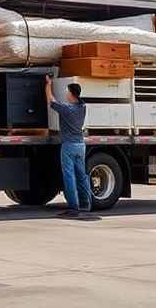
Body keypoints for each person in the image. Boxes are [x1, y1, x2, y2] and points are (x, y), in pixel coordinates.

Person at [45, 74, 92, 218]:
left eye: (67, 91)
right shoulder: (82, 107)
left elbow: (50, 100)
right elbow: (79, 101)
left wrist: (48, 84)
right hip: (80, 145)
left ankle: (73, 208)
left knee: (69, 177)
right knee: (81, 175)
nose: (65, 93)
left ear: (71, 94)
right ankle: (85, 204)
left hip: (69, 147)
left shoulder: (67, 110)